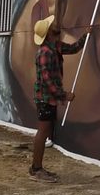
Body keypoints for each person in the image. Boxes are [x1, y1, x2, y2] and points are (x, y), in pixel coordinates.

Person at [30, 14, 87, 183]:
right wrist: (64, 95)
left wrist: (86, 35)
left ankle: (36, 168)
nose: (55, 24)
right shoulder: (45, 53)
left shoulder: (55, 46)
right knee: (43, 131)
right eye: (51, 25)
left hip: (49, 98)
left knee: (45, 130)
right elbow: (47, 82)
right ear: (48, 32)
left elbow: (74, 48)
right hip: (45, 98)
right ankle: (36, 169)